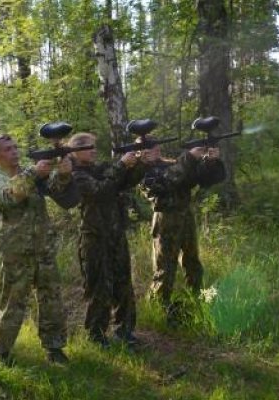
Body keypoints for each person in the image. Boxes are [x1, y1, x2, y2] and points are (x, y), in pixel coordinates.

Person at [0, 133, 78, 365]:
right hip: (16, 251)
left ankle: (54, 348)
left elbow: (57, 191)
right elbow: (6, 199)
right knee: (13, 303)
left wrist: (64, 175)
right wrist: (34, 173)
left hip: (43, 248)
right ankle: (2, 352)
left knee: (51, 299)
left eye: (15, 147)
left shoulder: (33, 174)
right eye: (7, 149)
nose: (14, 151)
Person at [67, 132, 151, 348]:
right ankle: (96, 334)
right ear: (75, 151)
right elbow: (100, 190)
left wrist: (140, 162)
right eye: (88, 147)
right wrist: (122, 165)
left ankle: (125, 330)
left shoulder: (99, 169)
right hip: (94, 239)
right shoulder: (76, 175)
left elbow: (124, 182)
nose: (94, 150)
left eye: (94, 146)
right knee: (99, 287)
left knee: (123, 283)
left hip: (115, 235)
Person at [139, 138, 225, 325]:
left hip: (186, 216)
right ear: (140, 152)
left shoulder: (173, 164)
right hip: (165, 219)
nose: (155, 149)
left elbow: (204, 179)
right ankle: (158, 307)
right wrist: (189, 157)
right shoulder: (142, 170)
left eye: (155, 146)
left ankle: (197, 301)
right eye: (148, 148)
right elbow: (162, 185)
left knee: (193, 261)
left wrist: (210, 162)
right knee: (165, 267)